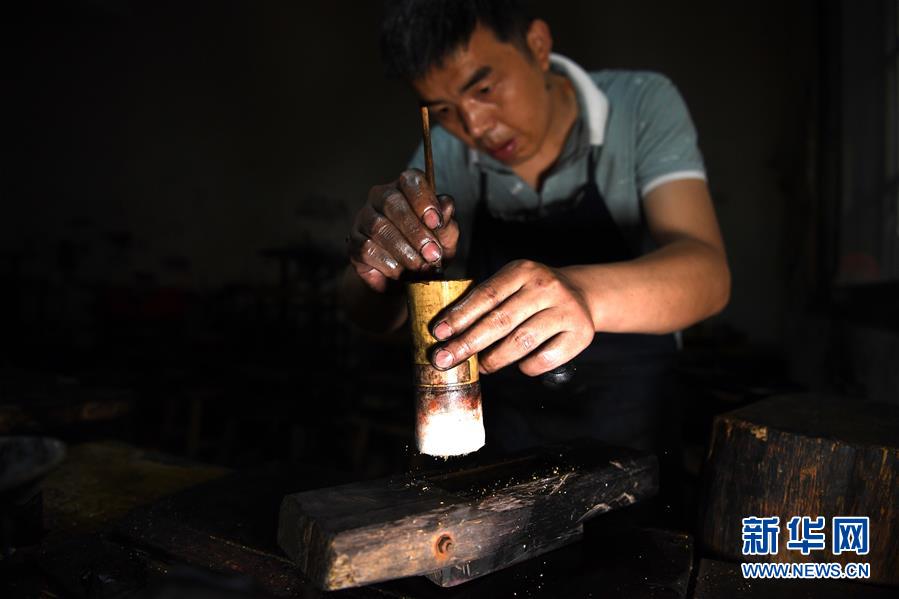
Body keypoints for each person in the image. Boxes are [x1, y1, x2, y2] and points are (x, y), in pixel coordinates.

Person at [340, 0, 730, 453]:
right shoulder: (445, 151)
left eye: (484, 89)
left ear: (538, 44)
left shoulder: (639, 103)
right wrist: (382, 271)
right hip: (508, 423)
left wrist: (582, 293)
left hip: (634, 417)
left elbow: (709, 275)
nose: (474, 126)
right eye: (443, 110)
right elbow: (365, 312)